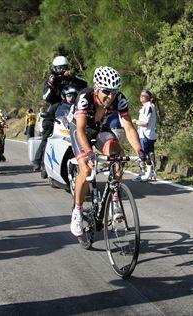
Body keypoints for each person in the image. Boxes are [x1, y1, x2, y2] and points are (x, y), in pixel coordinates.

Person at [68, 66, 148, 237]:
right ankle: (77, 211)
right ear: (96, 88)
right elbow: (80, 130)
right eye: (106, 92)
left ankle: (115, 201)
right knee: (87, 168)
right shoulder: (85, 98)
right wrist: (89, 153)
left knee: (116, 154)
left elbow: (128, 126)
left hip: (99, 129)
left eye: (114, 92)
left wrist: (140, 150)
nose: (110, 97)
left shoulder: (118, 99)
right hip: (79, 129)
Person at [33, 56, 87, 171]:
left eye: (63, 68)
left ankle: (85, 157)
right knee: (47, 134)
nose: (61, 70)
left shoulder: (71, 78)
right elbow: (46, 97)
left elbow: (85, 85)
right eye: (59, 68)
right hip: (55, 108)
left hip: (72, 107)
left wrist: (72, 77)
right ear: (54, 68)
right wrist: (52, 86)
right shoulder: (50, 79)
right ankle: (39, 161)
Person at [132, 89, 158, 181]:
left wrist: (135, 121)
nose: (141, 97)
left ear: (148, 98)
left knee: (143, 155)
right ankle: (151, 173)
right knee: (150, 153)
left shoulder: (148, 107)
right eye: (141, 95)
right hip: (148, 134)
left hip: (146, 135)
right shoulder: (147, 107)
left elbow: (145, 123)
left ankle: (143, 173)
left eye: (144, 95)